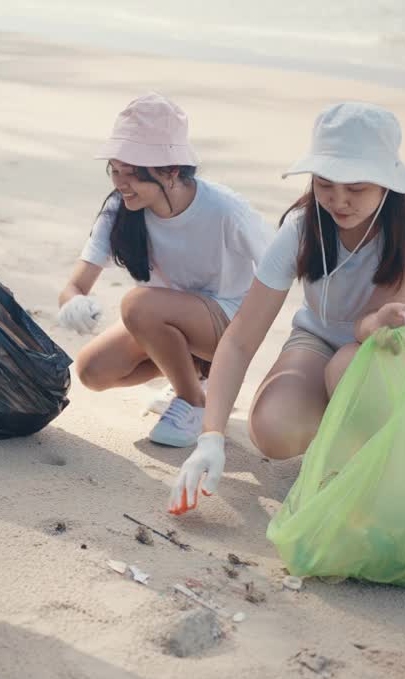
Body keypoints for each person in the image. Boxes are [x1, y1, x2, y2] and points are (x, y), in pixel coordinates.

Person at [169, 102, 405, 515]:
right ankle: (345, 438)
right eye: (325, 184)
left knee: (349, 368)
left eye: (356, 188)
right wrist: (210, 438)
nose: (338, 201)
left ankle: (366, 452)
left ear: (387, 181)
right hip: (320, 339)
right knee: (273, 431)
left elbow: (369, 330)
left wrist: (379, 323)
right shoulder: (303, 227)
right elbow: (240, 338)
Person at [57, 93, 269, 448]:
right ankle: (192, 375)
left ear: (171, 172)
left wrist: (241, 347)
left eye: (133, 175)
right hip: (168, 320)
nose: (120, 183)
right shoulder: (120, 209)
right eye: (115, 170)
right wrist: (73, 304)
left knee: (138, 304)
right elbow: (76, 284)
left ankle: (194, 401)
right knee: (92, 371)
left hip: (228, 322)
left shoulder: (225, 210)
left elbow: (276, 272)